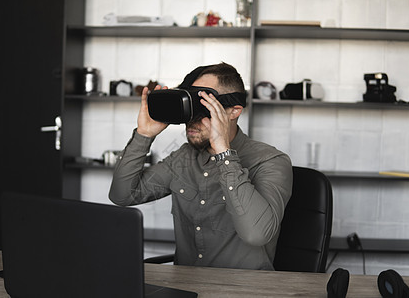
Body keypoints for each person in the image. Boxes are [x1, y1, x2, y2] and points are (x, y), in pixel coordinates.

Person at [109, 63, 292, 270]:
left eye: (204, 105)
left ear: (234, 111)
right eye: (191, 104)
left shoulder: (270, 161)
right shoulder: (184, 157)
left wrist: (224, 153)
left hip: (243, 289)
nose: (192, 119)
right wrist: (144, 135)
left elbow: (256, 234)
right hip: (186, 286)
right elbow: (122, 195)